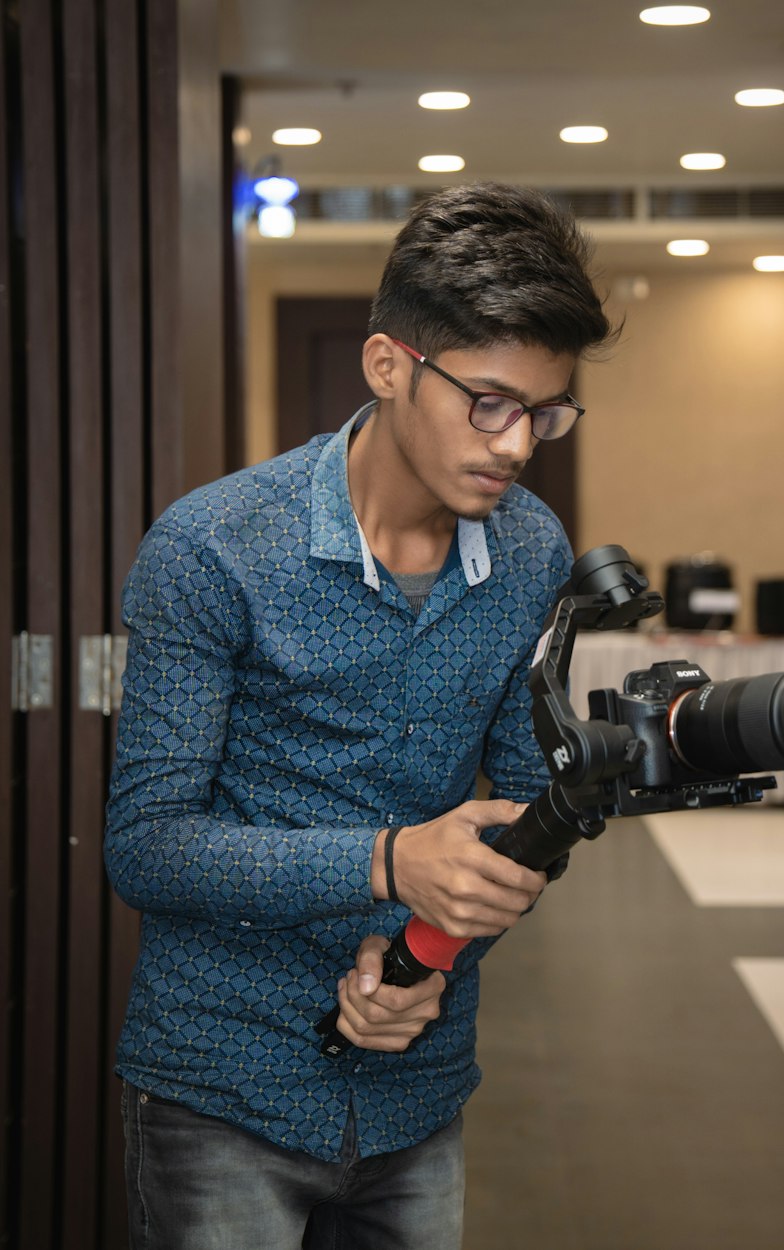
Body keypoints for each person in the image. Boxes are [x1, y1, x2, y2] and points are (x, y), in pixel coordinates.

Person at [104, 181, 616, 1250]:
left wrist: (427, 966)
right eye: (487, 399)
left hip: (416, 1084)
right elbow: (147, 845)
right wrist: (390, 861)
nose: (517, 442)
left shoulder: (528, 554)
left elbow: (532, 818)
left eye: (545, 410)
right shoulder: (212, 549)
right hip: (221, 1085)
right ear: (389, 364)